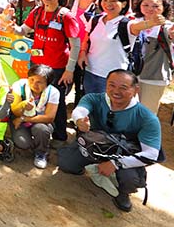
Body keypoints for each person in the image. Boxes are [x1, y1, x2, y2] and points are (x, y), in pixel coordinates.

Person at [59, 69, 162, 212]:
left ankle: (123, 193)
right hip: (95, 147)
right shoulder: (94, 98)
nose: (116, 91)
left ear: (135, 90)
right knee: (66, 163)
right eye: (111, 85)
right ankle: (94, 167)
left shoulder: (147, 118)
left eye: (123, 88)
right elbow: (80, 110)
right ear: (105, 84)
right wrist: (79, 120)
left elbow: (151, 154)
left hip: (123, 155)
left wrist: (115, 163)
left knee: (130, 179)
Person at [12, 0, 80, 141]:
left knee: (57, 101)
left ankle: (59, 135)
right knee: (34, 97)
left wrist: (69, 70)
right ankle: (33, 129)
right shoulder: (37, 12)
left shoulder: (66, 16)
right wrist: (10, 25)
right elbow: (22, 31)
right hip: (37, 64)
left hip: (57, 67)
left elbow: (75, 46)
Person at [79, 0, 135, 94]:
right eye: (105, 0)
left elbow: (138, 27)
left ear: (124, 4)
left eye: (113, 1)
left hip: (113, 76)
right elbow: (86, 39)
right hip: (90, 71)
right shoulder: (95, 19)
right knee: (92, 104)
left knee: (109, 106)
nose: (108, 4)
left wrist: (151, 22)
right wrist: (82, 53)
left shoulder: (127, 24)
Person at [130, 0, 174, 113]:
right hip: (130, 75)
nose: (150, 9)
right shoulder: (133, 22)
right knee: (127, 108)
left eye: (155, 6)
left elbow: (170, 34)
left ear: (164, 8)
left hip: (155, 76)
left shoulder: (166, 26)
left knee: (147, 112)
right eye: (146, 5)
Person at [10, 64, 59, 169]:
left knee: (41, 129)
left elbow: (49, 117)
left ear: (47, 83)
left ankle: (41, 153)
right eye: (31, 80)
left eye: (39, 82)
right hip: (22, 121)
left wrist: (24, 118)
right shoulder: (19, 86)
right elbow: (15, 111)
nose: (34, 84)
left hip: (39, 122)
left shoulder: (53, 92)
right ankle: (39, 142)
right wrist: (22, 105)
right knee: (23, 143)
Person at [70, 0, 102, 102]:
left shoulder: (99, 12)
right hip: (66, 51)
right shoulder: (67, 5)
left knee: (81, 86)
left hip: (86, 53)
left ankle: (78, 116)